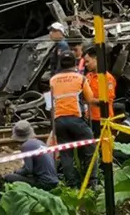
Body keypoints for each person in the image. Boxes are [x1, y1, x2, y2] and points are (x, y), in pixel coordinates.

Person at [50, 51, 96, 188]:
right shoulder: (80, 78)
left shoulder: (53, 80)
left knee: (66, 155)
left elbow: (50, 102)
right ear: (74, 63)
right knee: (89, 149)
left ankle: (72, 185)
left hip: (58, 121)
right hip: (76, 119)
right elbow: (90, 99)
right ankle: (92, 183)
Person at [3, 120, 59, 191]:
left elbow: (28, 169)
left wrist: (16, 172)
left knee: (8, 177)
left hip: (44, 183)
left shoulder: (26, 146)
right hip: (54, 181)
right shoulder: (40, 142)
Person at [83, 46, 117, 137]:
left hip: (103, 119)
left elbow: (107, 100)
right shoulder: (88, 77)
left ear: (96, 59)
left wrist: (91, 100)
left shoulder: (107, 78)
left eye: (87, 61)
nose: (86, 65)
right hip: (90, 118)